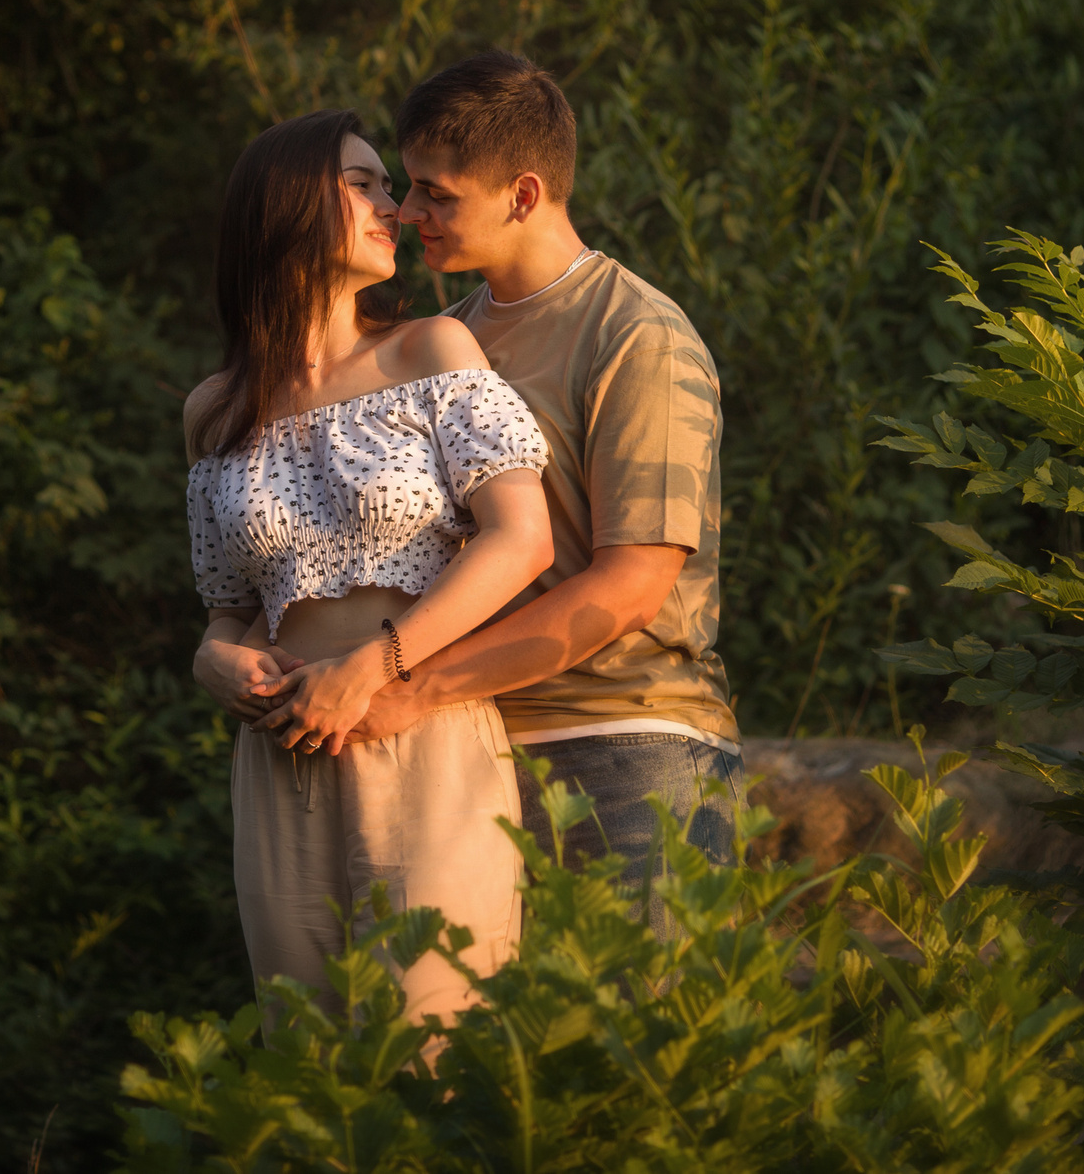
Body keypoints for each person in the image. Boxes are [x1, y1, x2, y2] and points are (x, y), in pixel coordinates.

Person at [258, 51, 741, 916]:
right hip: (467, 749)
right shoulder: (438, 342)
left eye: (436, 193)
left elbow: (632, 584)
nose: (409, 213)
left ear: (523, 194)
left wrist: (410, 686)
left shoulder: (637, 335)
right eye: (407, 187)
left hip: (624, 746)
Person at [185, 109, 555, 1024]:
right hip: (282, 756)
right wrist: (211, 659)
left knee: (435, 1040)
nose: (395, 206)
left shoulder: (429, 350)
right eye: (364, 184)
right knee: (304, 1056)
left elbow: (522, 539)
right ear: (286, 203)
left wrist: (375, 664)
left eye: (389, 186)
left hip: (422, 733)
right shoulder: (214, 409)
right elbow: (228, 608)